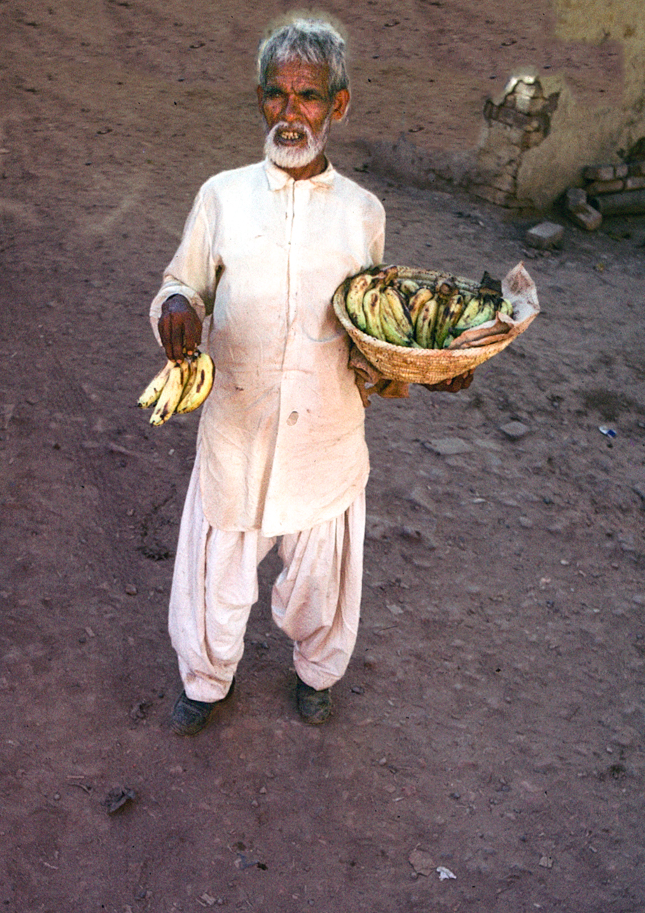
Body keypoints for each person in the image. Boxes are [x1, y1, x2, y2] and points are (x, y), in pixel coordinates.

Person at [149, 16, 472, 736]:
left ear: (339, 105)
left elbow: (373, 325)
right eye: (276, 96)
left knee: (321, 575)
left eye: (308, 97)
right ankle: (206, 680)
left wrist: (426, 368)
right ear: (260, 100)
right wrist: (174, 306)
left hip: (325, 430)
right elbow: (183, 281)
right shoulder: (222, 196)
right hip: (237, 419)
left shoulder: (363, 214)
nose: (290, 114)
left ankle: (316, 673)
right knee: (215, 571)